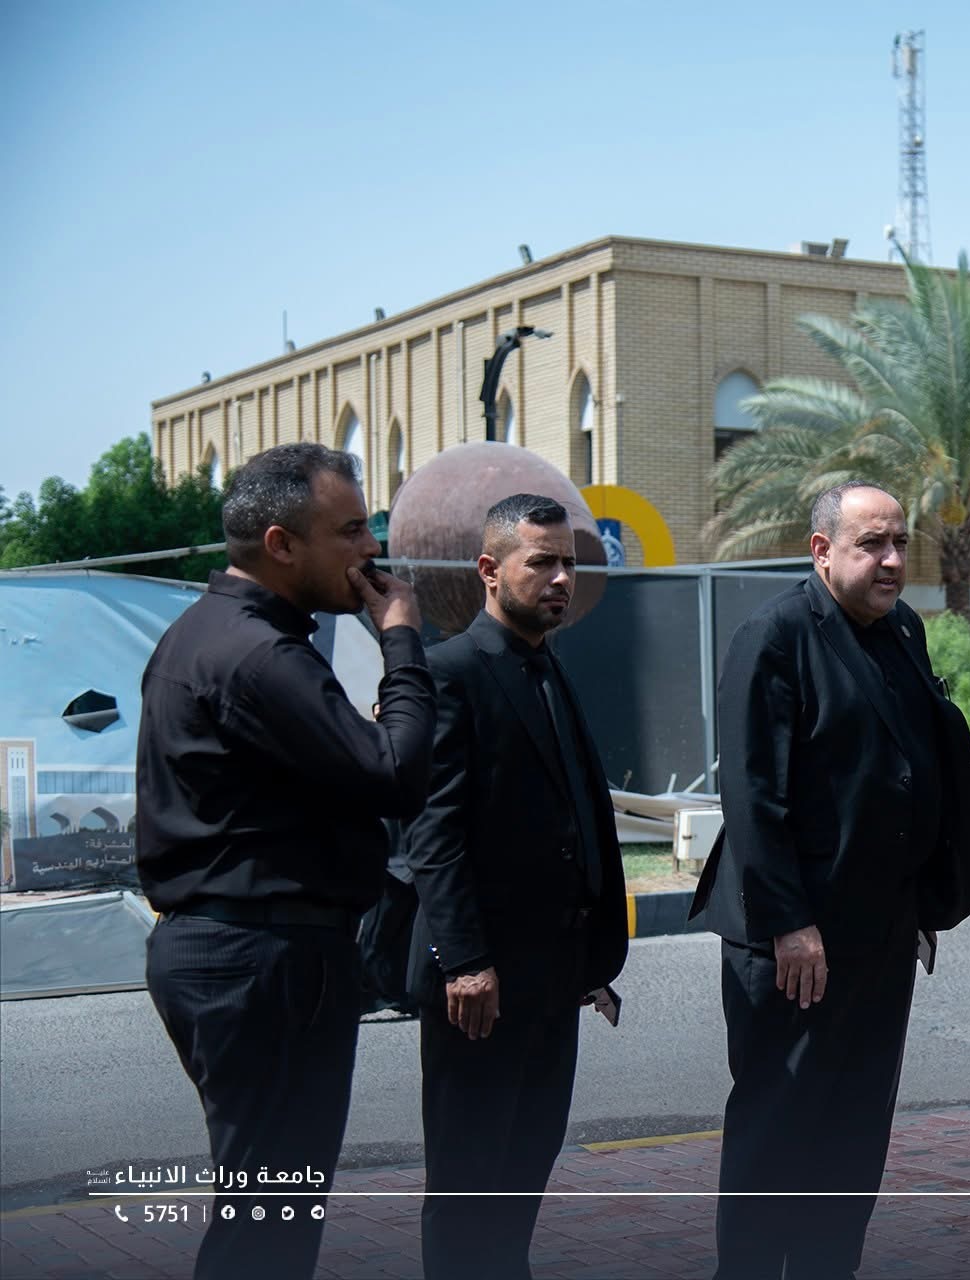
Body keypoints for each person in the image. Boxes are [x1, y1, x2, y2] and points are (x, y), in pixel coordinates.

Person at [136, 442, 433, 1280]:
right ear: (281, 544)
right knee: (268, 1225)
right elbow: (394, 774)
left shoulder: (211, 635)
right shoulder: (258, 653)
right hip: (260, 957)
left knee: (268, 1213)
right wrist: (402, 643)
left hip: (242, 951)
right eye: (350, 531)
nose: (370, 549)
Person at [690, 480, 970, 1280]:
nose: (892, 561)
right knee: (778, 1133)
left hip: (880, 936)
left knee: (854, 1133)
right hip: (794, 943)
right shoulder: (774, 638)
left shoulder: (902, 630)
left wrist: (924, 900)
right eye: (872, 545)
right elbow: (752, 794)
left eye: (900, 543)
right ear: (822, 550)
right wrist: (789, 923)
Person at [404, 493, 630, 1280]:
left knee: (522, 1176)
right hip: (481, 988)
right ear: (490, 570)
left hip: (553, 982)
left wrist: (588, 958)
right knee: (469, 1185)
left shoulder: (550, 670)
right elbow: (433, 834)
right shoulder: (451, 673)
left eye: (569, 563)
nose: (562, 578)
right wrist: (466, 961)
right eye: (542, 562)